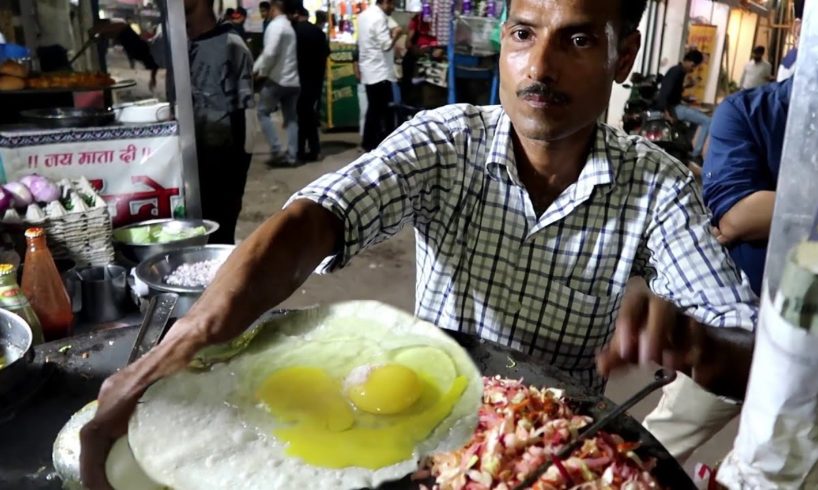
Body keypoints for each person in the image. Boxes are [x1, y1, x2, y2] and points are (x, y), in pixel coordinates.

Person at [80, 0, 759, 486]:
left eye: (578, 40)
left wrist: (695, 344)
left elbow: (749, 354)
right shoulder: (446, 140)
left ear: (625, 56)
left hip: (547, 442)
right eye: (523, 33)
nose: (538, 66)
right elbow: (313, 219)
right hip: (413, 431)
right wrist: (183, 344)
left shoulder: (659, 186)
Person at [702, 0, 804, 298]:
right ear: (799, 31)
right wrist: (747, 213)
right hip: (753, 318)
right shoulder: (745, 113)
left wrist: (774, 210)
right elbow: (737, 215)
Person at [184, 0, 254, 245]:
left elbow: (245, 113)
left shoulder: (230, 44)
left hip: (219, 157)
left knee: (217, 237)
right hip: (188, 155)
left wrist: (236, 168)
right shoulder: (181, 39)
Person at [254, 0, 300, 166]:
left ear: (273, 8)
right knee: (291, 119)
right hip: (293, 80)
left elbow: (269, 53)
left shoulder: (275, 26)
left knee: (263, 113)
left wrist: (260, 73)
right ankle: (293, 155)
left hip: (276, 80)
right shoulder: (289, 28)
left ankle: (276, 149)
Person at [357, 0, 403, 151]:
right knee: (381, 110)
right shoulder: (379, 18)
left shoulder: (364, 15)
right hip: (380, 71)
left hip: (369, 69)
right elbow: (386, 45)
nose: (393, 8)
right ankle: (374, 144)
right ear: (384, 2)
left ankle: (369, 143)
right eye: (391, 4)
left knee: (374, 109)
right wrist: (396, 34)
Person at [653, 50, 711, 160]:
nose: (692, 70)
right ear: (691, 63)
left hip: (674, 106)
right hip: (674, 109)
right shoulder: (677, 72)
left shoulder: (677, 71)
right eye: (693, 67)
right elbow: (665, 94)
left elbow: (672, 92)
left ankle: (686, 146)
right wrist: (667, 113)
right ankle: (695, 154)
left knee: (695, 121)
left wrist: (685, 97)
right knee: (707, 121)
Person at [292, 6, 330, 162]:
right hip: (315, 80)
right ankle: (313, 149)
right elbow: (326, 54)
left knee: (301, 116)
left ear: (297, 14)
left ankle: (301, 151)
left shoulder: (293, 32)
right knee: (309, 114)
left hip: (298, 80)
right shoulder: (318, 33)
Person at [90, 21, 160, 91]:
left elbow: (154, 68)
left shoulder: (148, 56)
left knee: (117, 31)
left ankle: (97, 32)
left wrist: (153, 80)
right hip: (126, 36)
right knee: (118, 30)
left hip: (126, 36)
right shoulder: (147, 52)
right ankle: (97, 32)